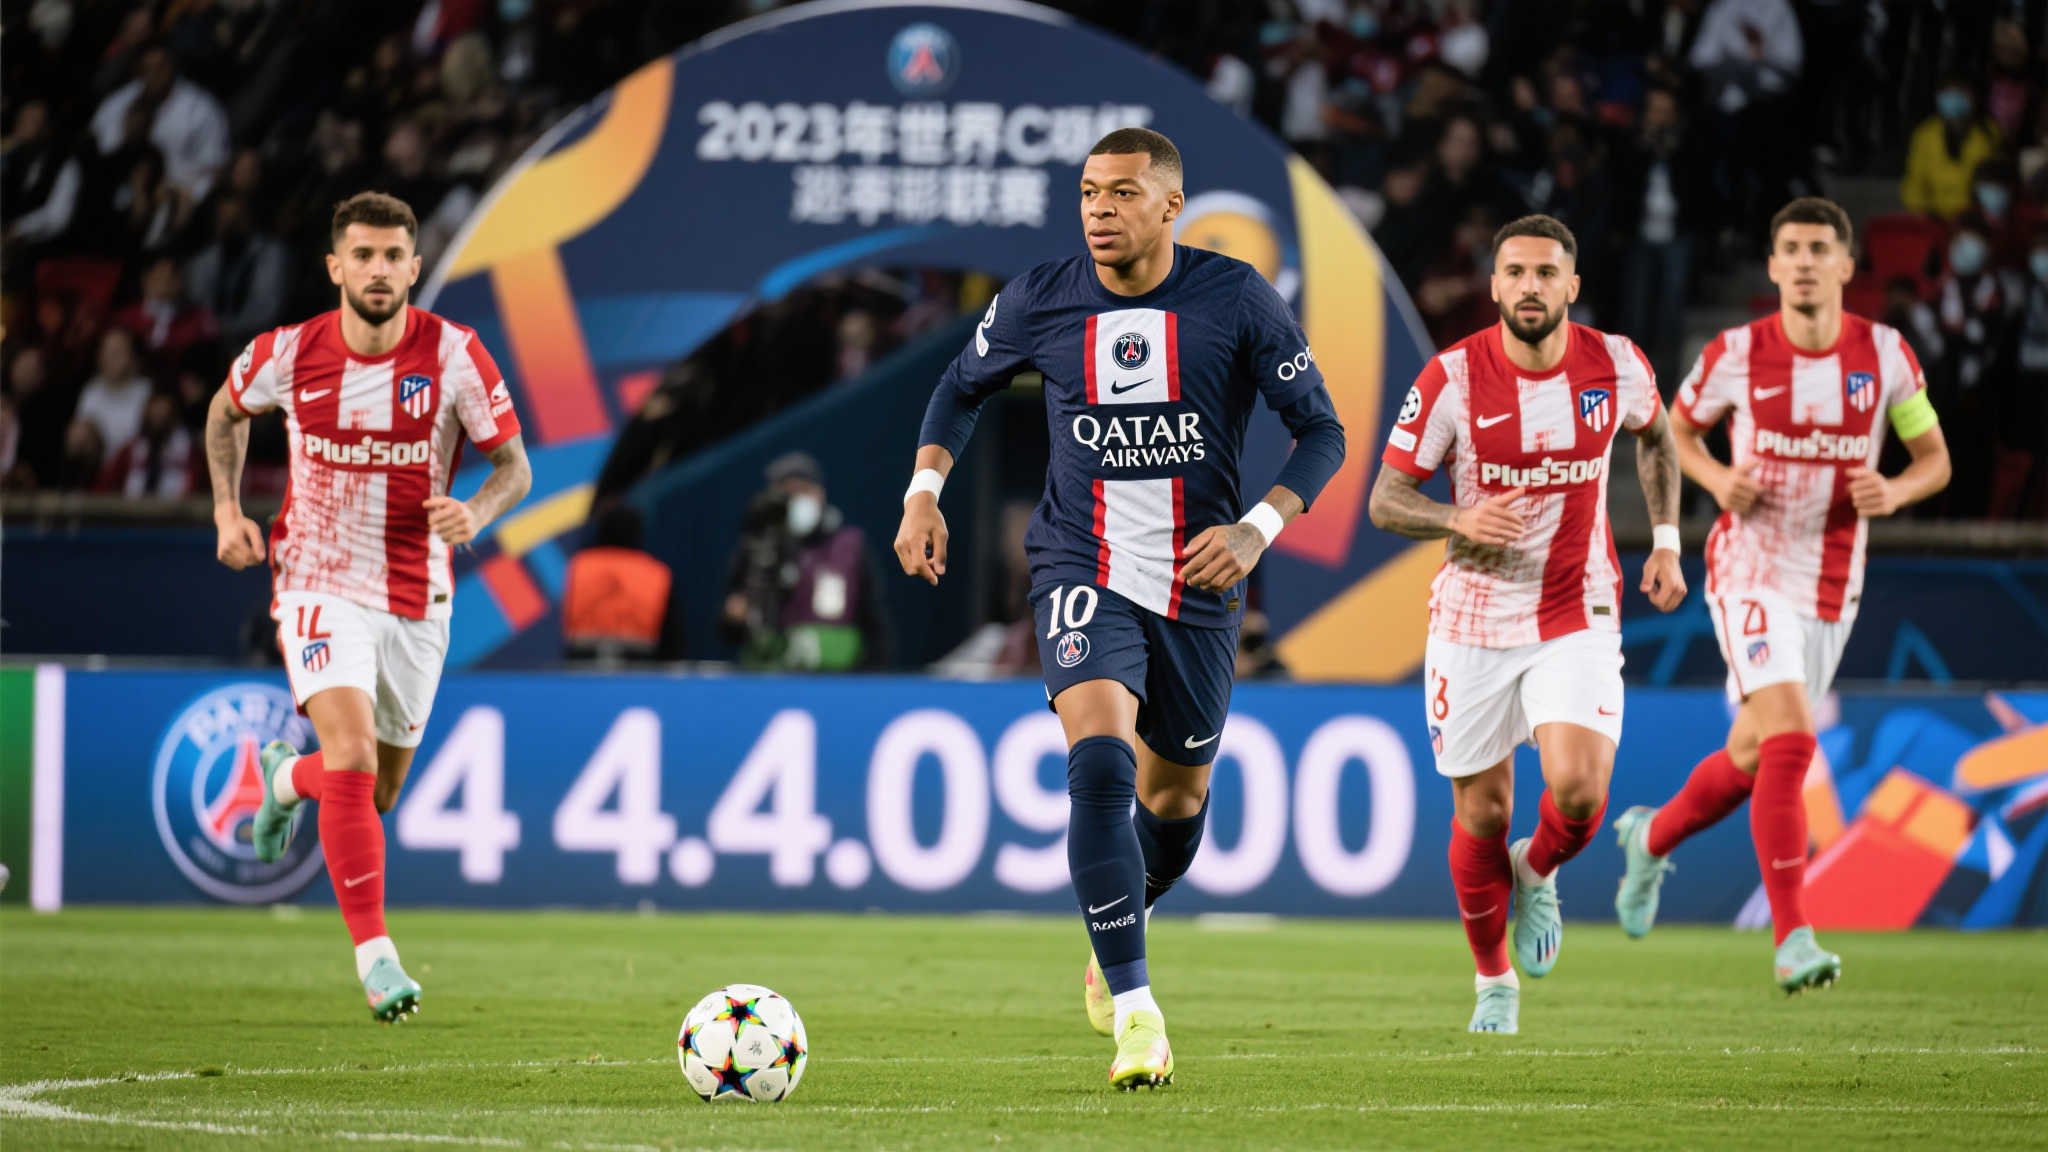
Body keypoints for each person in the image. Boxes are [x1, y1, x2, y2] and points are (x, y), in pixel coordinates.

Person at [893, 128, 1345, 1089]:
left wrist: (1258, 528)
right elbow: (959, 387)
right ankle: (1140, 1017)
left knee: (1174, 803)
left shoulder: (1235, 298)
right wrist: (923, 494)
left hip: (1199, 581)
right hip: (1080, 563)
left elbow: (1321, 432)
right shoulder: (1041, 297)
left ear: (1171, 205)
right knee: (1099, 765)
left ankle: (1115, 936)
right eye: (1090, 192)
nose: (1100, 209)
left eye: (1123, 193)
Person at [205, 191, 531, 1021]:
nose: (378, 270)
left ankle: (287, 779)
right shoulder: (288, 352)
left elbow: (514, 467)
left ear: (414, 268)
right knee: (349, 755)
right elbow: (225, 412)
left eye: (392, 257)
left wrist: (477, 513)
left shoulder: (456, 355)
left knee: (376, 791)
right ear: (335, 267)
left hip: (417, 591)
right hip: (317, 578)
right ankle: (377, 959)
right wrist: (227, 509)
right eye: (363, 255)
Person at [1612, 197, 1951, 993]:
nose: (1803, 262)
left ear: (1846, 265)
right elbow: (1672, 431)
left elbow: (1935, 459)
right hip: (1751, 566)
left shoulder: (1886, 355)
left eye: (1818, 249)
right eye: (1790, 249)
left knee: (1753, 754)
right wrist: (1715, 478)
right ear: (1771, 266)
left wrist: (1896, 491)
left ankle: (1650, 839)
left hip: (1832, 579)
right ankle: (1794, 938)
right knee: (1794, 741)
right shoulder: (1734, 353)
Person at [1369, 214, 1687, 1036]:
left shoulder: (1617, 363)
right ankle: (1493, 982)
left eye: (1546, 273)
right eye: (1514, 272)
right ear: (1495, 285)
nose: (1530, 287)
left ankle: (1537, 871)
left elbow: (1658, 440)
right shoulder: (1451, 377)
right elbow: (1385, 500)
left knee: (1579, 792)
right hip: (1474, 616)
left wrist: (1667, 540)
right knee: (1482, 814)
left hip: (1577, 606)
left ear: (1572, 285)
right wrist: (1458, 518)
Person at [721, 452, 886, 670]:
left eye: (804, 490)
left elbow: (876, 625)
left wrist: (873, 678)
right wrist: (734, 615)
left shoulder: (851, 547)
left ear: (821, 494)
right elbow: (729, 624)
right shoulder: (757, 546)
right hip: (770, 677)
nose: (797, 500)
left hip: (836, 679)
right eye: (788, 492)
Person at [564, 501, 678, 663]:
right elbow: (671, 640)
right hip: (640, 668)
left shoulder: (576, 567)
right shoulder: (657, 574)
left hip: (579, 664)